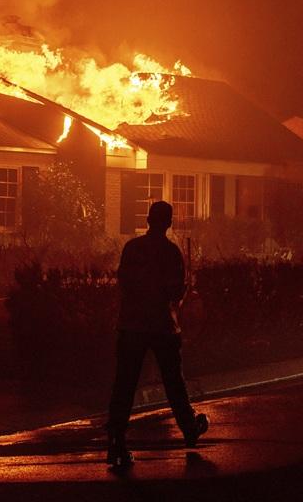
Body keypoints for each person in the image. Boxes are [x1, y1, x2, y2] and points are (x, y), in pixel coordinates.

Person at [106, 200, 208, 468]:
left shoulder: (132, 249)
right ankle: (189, 429)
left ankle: (116, 439)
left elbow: (124, 283)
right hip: (162, 325)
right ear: (168, 223)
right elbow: (174, 293)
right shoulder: (171, 253)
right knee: (174, 382)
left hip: (131, 325)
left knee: (124, 385)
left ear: (149, 220)